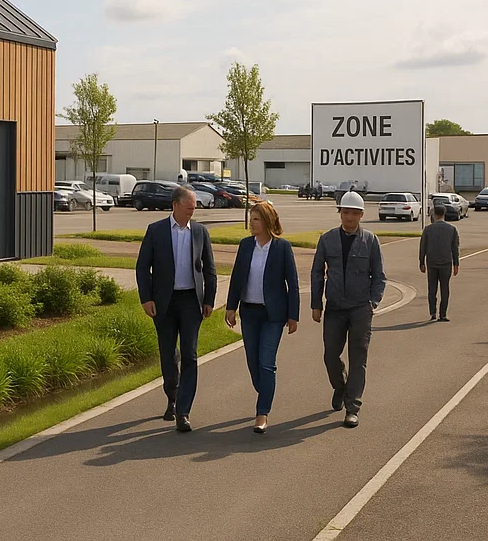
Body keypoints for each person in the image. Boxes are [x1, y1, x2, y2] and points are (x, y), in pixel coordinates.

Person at [136, 186, 218, 432]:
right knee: (168, 354)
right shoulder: (156, 231)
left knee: (190, 355)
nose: (193, 212)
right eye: (189, 207)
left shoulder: (200, 232)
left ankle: (183, 411)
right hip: (164, 303)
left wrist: (209, 299)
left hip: (191, 301)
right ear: (175, 205)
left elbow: (209, 269)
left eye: (194, 208)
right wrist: (146, 298)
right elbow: (142, 267)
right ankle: (172, 397)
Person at [310, 191, 386, 428]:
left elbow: (379, 276)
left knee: (358, 357)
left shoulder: (370, 241)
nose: (350, 217)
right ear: (340, 213)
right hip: (335, 307)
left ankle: (353, 407)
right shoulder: (327, 239)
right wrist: (316, 303)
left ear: (361, 215)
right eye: (346, 212)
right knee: (330, 355)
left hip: (360, 308)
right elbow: (316, 272)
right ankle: (340, 387)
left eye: (354, 213)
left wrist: (373, 302)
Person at [225, 200, 300, 434]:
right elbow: (237, 277)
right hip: (249, 312)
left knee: (266, 363)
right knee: (253, 363)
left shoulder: (282, 247)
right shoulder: (246, 245)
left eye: (256, 219)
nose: (252, 223)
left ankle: (262, 412)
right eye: (251, 219)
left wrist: (293, 315)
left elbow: (293, 283)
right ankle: (265, 391)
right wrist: (230, 307)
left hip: (273, 315)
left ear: (267, 221)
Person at [420, 204, 460, 322]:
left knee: (432, 288)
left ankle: (433, 312)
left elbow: (423, 246)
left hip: (432, 262)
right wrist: (456, 264)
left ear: (434, 215)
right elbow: (455, 248)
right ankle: (443, 314)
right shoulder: (452, 229)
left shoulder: (428, 229)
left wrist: (421, 262)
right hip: (446, 262)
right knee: (445, 288)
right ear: (444, 214)